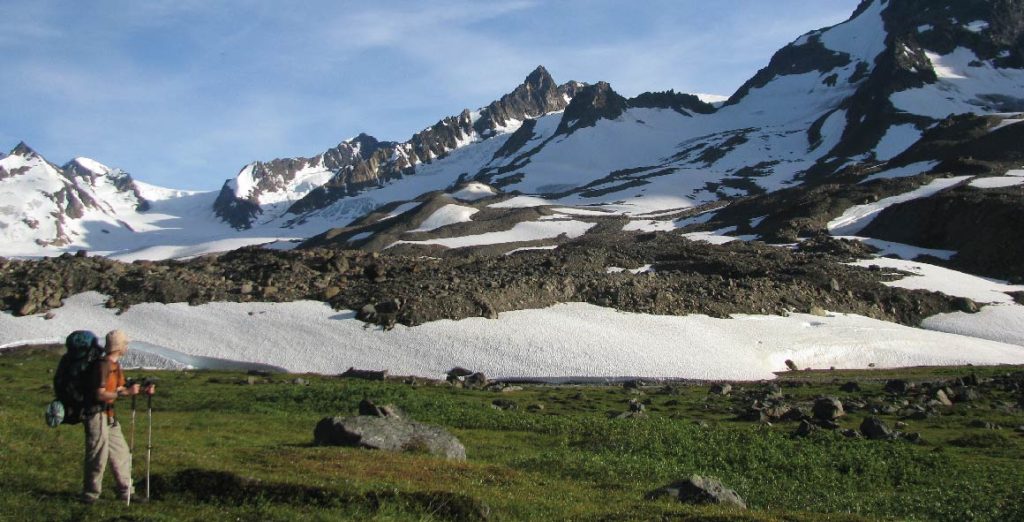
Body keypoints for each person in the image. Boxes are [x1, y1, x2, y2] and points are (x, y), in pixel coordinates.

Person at [81, 329, 155, 504]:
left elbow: (120, 388)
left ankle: (126, 492)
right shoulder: (103, 365)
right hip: (96, 414)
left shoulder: (114, 365)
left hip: (108, 415)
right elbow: (99, 394)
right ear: (118, 346)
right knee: (98, 455)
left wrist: (142, 391)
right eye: (125, 344)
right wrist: (125, 393)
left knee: (121, 453)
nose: (126, 347)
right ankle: (90, 495)